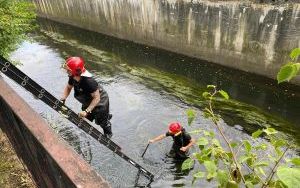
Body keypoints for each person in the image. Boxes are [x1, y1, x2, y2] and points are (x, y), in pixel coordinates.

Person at [60, 56, 113, 138]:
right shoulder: (73, 76)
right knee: (87, 116)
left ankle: (108, 132)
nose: (66, 71)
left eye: (68, 70)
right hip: (88, 99)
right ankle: (106, 116)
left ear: (75, 71)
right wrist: (64, 97)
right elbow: (68, 87)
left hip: (100, 101)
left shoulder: (88, 81)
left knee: (101, 121)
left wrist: (87, 111)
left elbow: (97, 98)